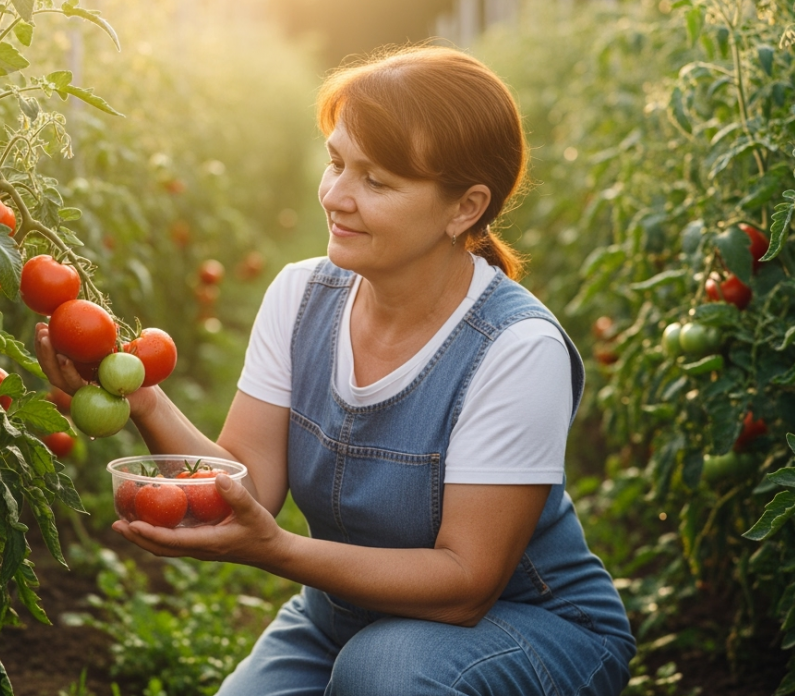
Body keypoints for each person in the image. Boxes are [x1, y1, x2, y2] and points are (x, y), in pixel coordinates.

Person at [35, 45, 635, 696]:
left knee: (385, 671)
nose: (336, 196)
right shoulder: (301, 297)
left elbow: (466, 585)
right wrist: (146, 400)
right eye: (337, 163)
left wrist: (276, 550)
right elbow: (249, 481)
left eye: (376, 181)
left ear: (465, 208)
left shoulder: (516, 348)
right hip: (342, 616)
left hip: (528, 627)